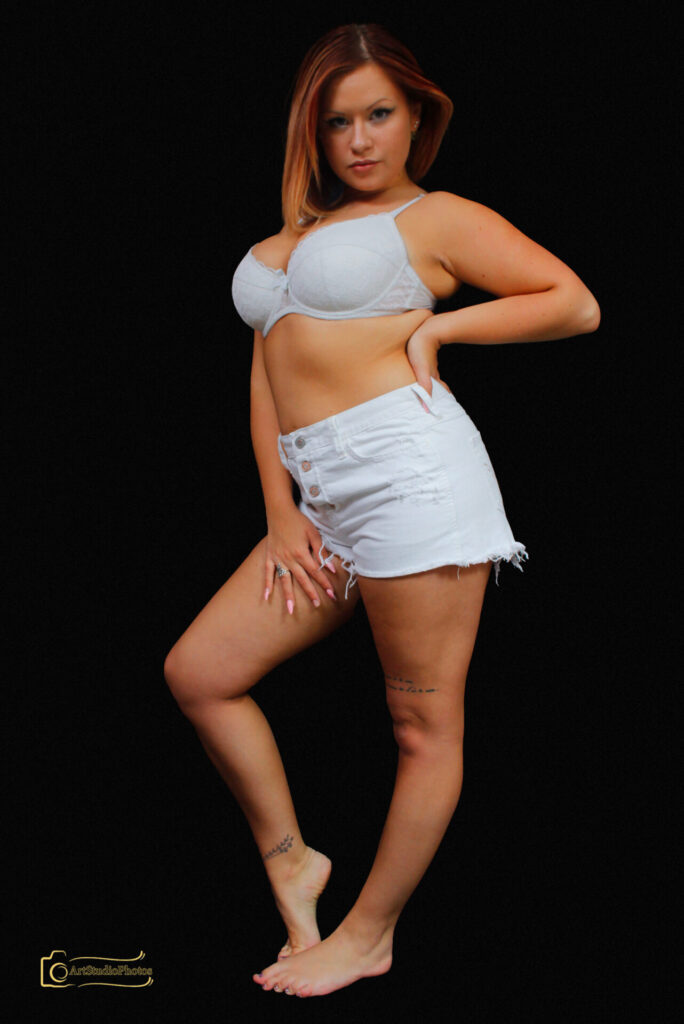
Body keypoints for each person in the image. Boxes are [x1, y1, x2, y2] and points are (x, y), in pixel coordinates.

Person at [163, 22, 600, 999]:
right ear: (312, 131)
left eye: (379, 115)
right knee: (201, 673)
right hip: (321, 499)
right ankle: (293, 862)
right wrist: (280, 510)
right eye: (337, 122)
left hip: (412, 479)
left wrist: (440, 331)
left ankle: (367, 936)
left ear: (415, 117)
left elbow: (573, 302)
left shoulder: (431, 217)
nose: (359, 139)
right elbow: (267, 368)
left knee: (420, 724)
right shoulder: (297, 233)